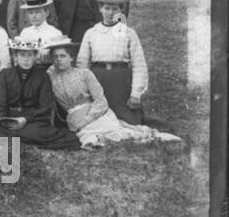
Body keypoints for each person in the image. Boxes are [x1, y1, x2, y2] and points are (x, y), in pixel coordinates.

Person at [45, 38, 178, 147]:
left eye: (63, 56)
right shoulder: (50, 76)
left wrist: (87, 119)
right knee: (90, 140)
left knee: (120, 136)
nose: (58, 60)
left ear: (71, 58)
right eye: (55, 57)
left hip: (97, 115)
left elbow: (101, 101)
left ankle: (156, 136)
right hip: (74, 120)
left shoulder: (84, 74)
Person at [75, 0, 151, 126]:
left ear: (121, 10)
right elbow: (82, 64)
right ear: (100, 9)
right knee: (97, 122)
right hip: (98, 81)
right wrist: (84, 90)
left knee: (128, 122)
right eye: (107, 8)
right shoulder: (91, 33)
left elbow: (139, 64)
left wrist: (136, 93)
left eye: (115, 9)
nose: (110, 13)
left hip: (121, 83)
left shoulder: (129, 33)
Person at [0, 40, 81, 149]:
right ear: (15, 57)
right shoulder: (5, 74)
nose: (26, 59)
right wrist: (2, 120)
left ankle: (14, 139)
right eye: (22, 55)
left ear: (35, 57)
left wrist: (25, 119)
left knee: (39, 133)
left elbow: (45, 106)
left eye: (30, 55)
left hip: (32, 120)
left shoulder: (42, 76)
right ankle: (17, 138)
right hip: (10, 118)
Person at [16, 0, 66, 66]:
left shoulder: (55, 33)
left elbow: (59, 56)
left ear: (47, 13)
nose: (34, 16)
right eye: (31, 13)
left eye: (37, 12)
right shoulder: (25, 32)